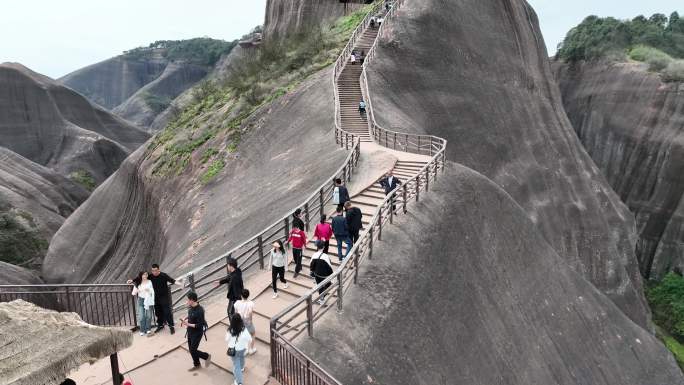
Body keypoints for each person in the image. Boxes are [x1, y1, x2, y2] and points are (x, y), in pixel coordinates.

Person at [128, 264, 177, 334]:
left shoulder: (164, 275)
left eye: (156, 270)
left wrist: (181, 284)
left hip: (164, 297)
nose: (154, 272)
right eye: (153, 271)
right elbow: (141, 277)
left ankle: (171, 326)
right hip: (155, 298)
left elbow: (172, 281)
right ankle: (160, 325)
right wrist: (132, 280)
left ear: (158, 269)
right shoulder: (150, 276)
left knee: (167, 312)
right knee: (158, 312)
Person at [180, 291, 211, 371]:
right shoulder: (191, 307)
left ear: (192, 300)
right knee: (191, 350)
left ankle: (206, 356)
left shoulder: (200, 311)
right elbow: (190, 314)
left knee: (193, 350)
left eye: (188, 300)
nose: (186, 301)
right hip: (190, 331)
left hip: (197, 333)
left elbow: (199, 325)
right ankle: (197, 364)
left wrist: (187, 324)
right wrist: (185, 318)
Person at [226, 313, 253, 385]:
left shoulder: (230, 330)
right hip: (243, 348)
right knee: (241, 357)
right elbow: (250, 339)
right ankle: (242, 367)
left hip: (234, 350)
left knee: (236, 366)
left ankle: (239, 382)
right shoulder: (244, 329)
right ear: (240, 320)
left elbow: (226, 339)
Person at [131, 271, 155, 336]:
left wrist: (149, 290)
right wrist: (137, 290)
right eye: (143, 274)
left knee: (149, 316)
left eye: (146, 274)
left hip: (148, 300)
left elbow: (152, 291)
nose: (145, 276)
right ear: (141, 275)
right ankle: (142, 330)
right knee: (141, 316)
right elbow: (133, 293)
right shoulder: (138, 283)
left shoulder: (150, 282)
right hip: (141, 300)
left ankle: (148, 329)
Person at [233, 289, 257, 355]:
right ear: (248, 295)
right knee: (253, 334)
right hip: (248, 321)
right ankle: (251, 349)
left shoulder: (237, 303)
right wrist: (251, 321)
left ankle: (245, 350)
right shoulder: (251, 303)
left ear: (241, 295)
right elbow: (250, 313)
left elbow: (236, 313)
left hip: (240, 322)